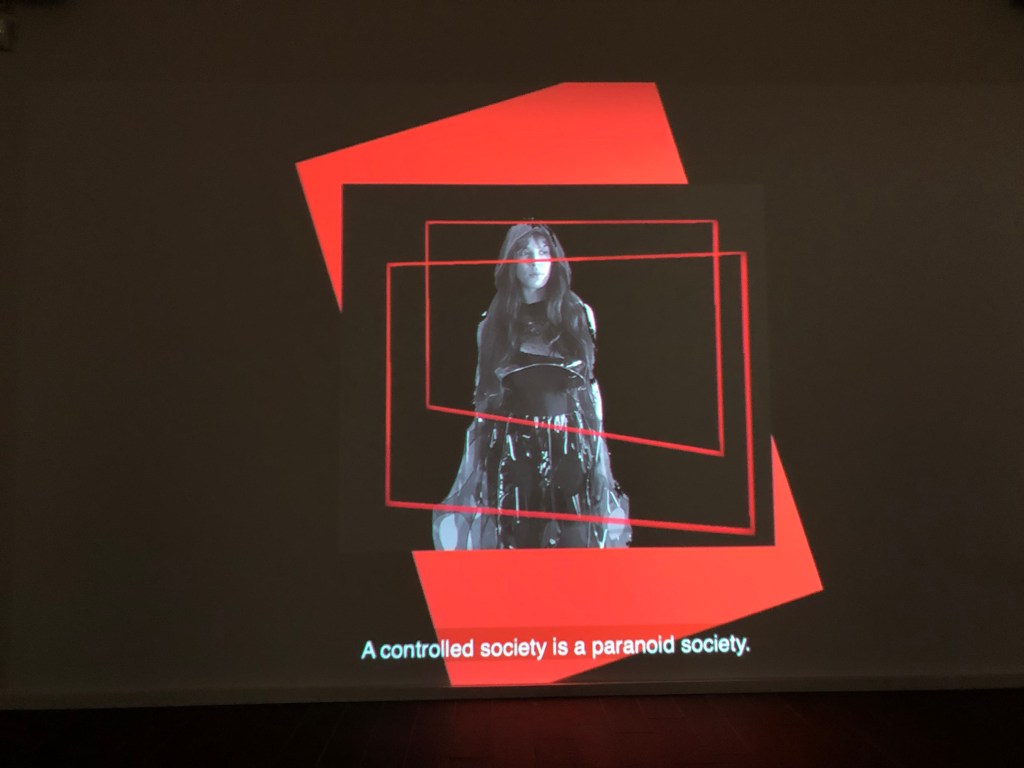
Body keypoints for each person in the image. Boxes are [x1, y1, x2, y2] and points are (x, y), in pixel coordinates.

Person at [433, 223, 631, 550]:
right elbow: (484, 396)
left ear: (555, 259)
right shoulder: (493, 322)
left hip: (572, 443)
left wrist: (599, 457)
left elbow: (591, 388)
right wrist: (477, 463)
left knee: (576, 537)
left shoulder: (578, 315)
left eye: (543, 252)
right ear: (510, 262)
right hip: (513, 447)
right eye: (524, 253)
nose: (535, 262)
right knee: (519, 538)